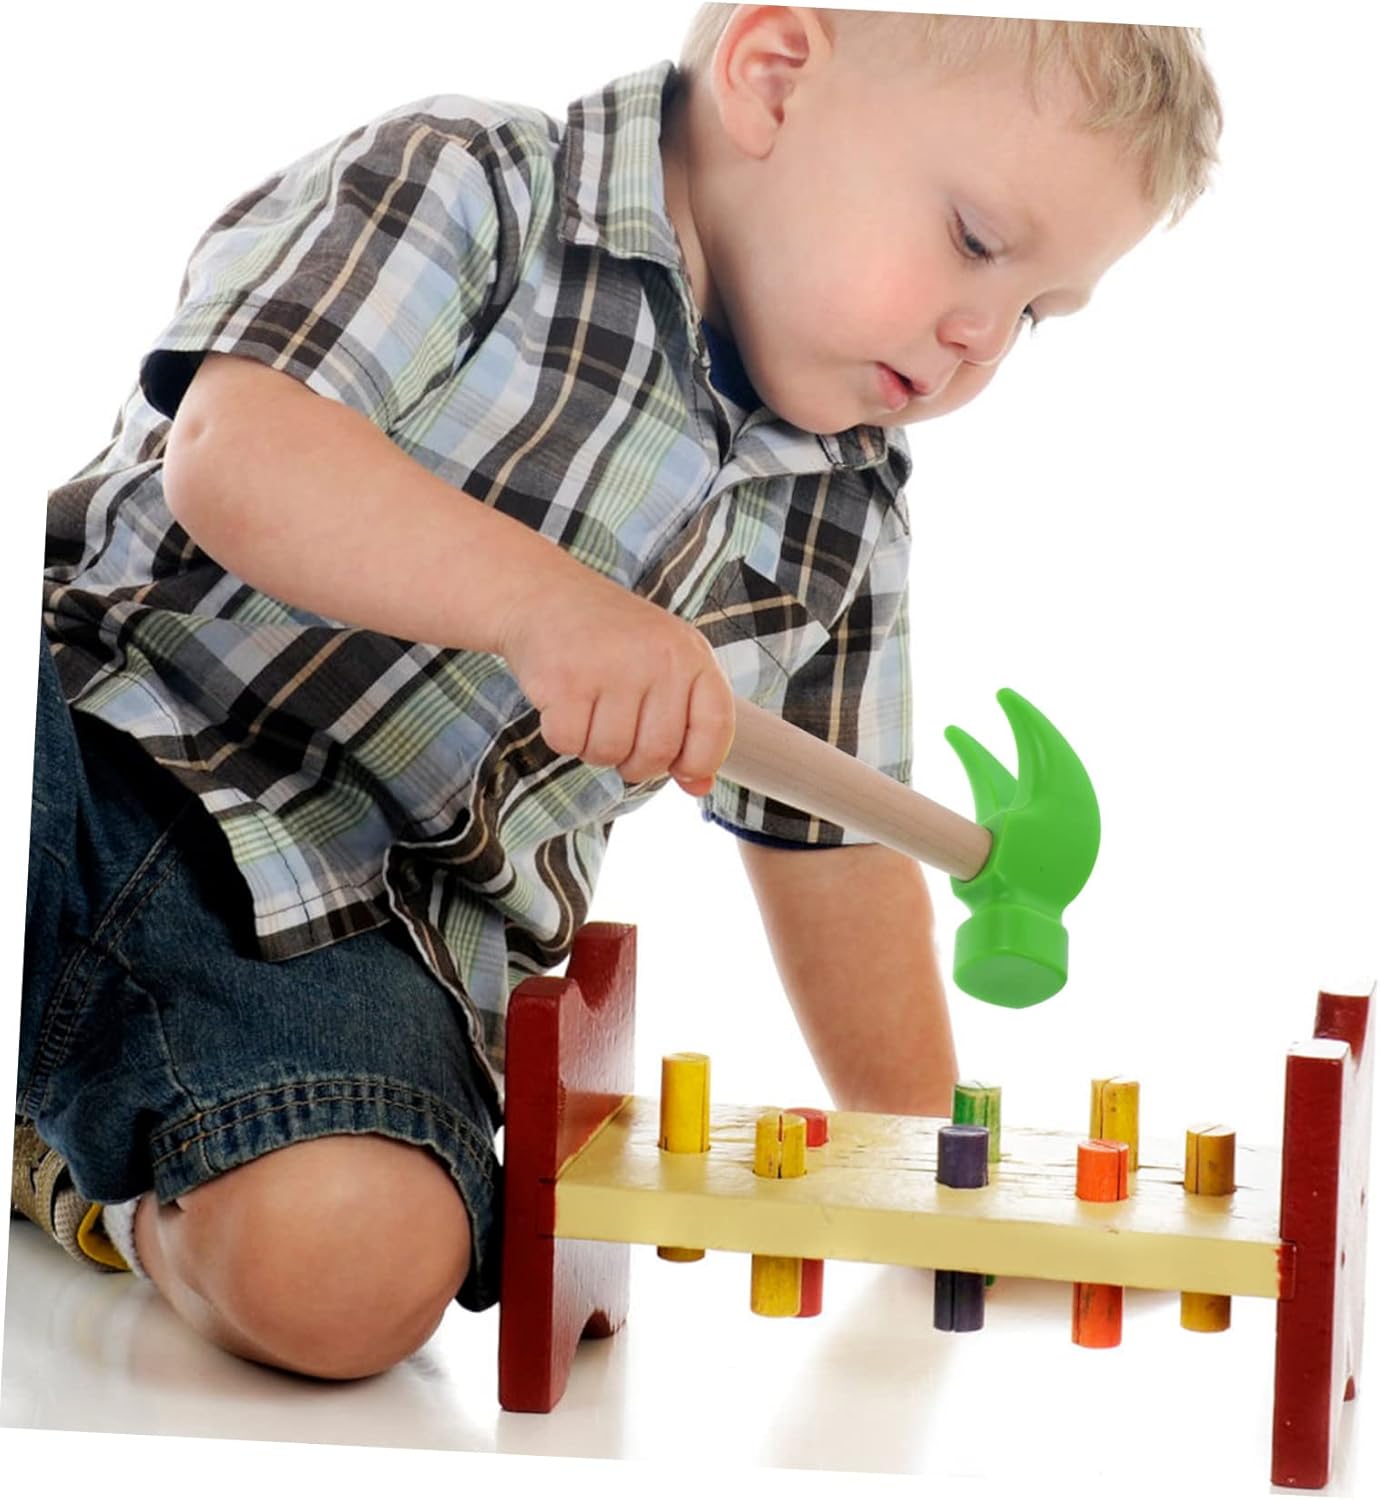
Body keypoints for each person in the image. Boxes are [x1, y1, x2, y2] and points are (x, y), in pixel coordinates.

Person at [13, 6, 1221, 1380]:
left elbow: (834, 855)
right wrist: (545, 605)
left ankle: (77, 1177)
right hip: (87, 740)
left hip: (355, 940)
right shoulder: (477, 181)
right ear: (773, 78)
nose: (979, 337)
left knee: (355, 1270)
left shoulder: (848, 517)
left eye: (1035, 315)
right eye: (976, 242)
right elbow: (242, 453)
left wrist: (941, 1182)